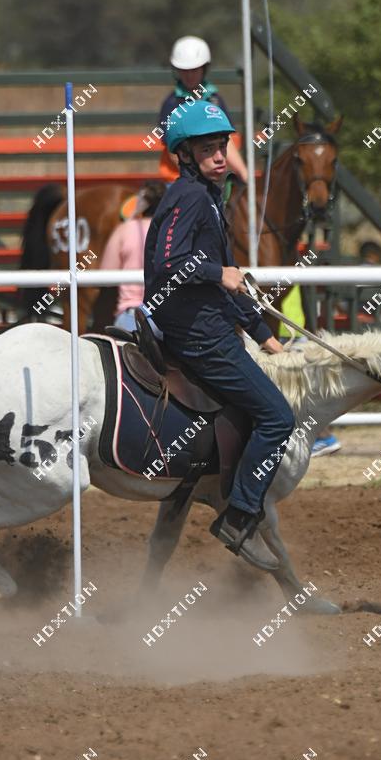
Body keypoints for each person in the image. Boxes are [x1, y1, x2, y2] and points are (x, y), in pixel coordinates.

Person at [144, 100, 294, 571]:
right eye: (207, 148)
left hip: (209, 325)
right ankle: (239, 518)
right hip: (200, 335)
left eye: (222, 147)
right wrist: (217, 273)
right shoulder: (189, 197)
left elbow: (228, 284)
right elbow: (167, 263)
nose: (218, 156)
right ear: (185, 155)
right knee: (278, 418)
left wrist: (264, 334)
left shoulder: (210, 196)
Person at [158, 36, 248, 185]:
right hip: (178, 180)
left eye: (194, 70)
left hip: (212, 178)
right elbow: (172, 149)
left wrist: (244, 174)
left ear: (204, 68)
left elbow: (227, 141)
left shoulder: (215, 100)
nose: (189, 75)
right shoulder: (172, 104)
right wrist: (199, 176)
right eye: (184, 70)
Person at [99, 185, 164, 331]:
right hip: (165, 314)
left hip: (131, 315)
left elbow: (106, 275)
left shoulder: (124, 230)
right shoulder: (170, 231)